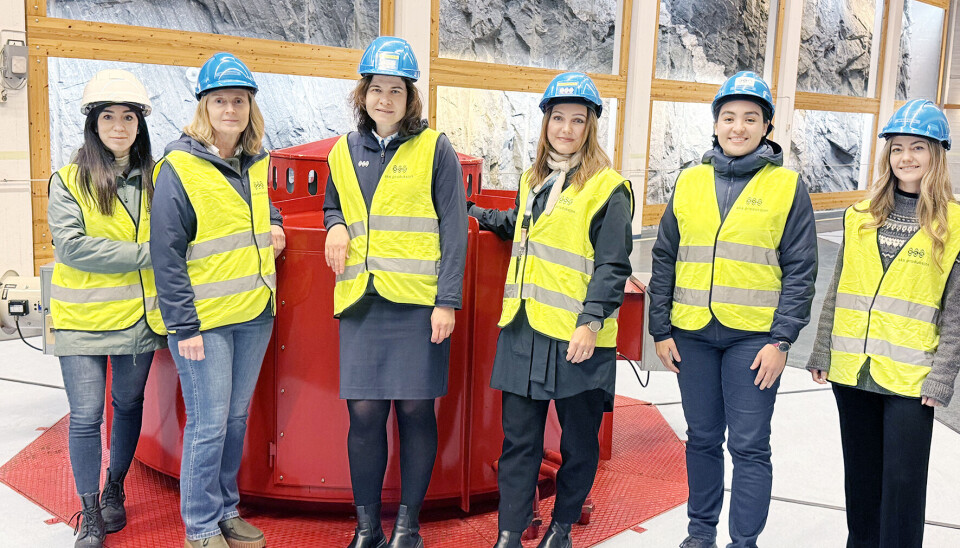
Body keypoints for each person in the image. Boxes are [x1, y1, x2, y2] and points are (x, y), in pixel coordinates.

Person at [647, 71, 817, 548]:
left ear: (766, 126)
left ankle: (743, 543)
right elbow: (665, 258)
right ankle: (699, 535)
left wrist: (782, 340)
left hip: (754, 340)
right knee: (701, 439)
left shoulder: (787, 187)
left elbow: (801, 270)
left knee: (748, 445)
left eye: (750, 118)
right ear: (716, 124)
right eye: (728, 117)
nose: (738, 127)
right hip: (693, 334)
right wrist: (661, 328)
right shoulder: (689, 180)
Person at [468, 72, 634, 548]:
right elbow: (521, 225)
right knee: (519, 442)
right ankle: (510, 530)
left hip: (577, 338)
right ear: (545, 123)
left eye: (576, 120)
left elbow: (613, 265)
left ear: (590, 127)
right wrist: (475, 214)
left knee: (577, 443)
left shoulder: (608, 189)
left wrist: (590, 321)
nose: (565, 128)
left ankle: (561, 528)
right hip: (524, 330)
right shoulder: (533, 180)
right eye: (557, 118)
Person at [322, 36, 467, 548]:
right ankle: (367, 529)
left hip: (419, 306)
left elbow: (455, 229)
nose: (385, 99)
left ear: (411, 99)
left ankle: (408, 526)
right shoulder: (343, 149)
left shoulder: (435, 148)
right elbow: (332, 206)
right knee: (363, 415)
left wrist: (447, 300)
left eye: (396, 91)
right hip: (362, 302)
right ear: (363, 94)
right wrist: (334, 224)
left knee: (414, 412)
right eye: (377, 89)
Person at [806, 99, 960, 548]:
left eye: (918, 147)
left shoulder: (954, 225)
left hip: (913, 377)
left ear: (937, 154)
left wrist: (943, 377)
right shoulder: (859, 217)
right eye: (896, 148)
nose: (906, 157)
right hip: (853, 371)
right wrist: (822, 351)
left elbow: (956, 314)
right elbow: (838, 291)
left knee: (903, 487)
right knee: (862, 481)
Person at [150, 52, 285, 548]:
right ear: (203, 107)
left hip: (253, 314)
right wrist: (183, 326)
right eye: (220, 100)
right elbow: (165, 255)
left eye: (239, 100)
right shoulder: (179, 167)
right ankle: (201, 528)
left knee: (233, 420)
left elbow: (263, 211)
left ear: (250, 107)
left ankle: (227, 510)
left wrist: (276, 224)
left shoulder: (254, 163)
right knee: (208, 426)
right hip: (204, 323)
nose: (230, 109)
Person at [48, 69, 164, 548]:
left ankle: (116, 486)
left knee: (129, 404)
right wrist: (151, 253)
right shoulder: (69, 179)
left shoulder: (159, 178)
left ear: (140, 124)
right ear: (93, 124)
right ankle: (90, 511)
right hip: (82, 321)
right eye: (108, 117)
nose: (119, 126)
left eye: (129, 117)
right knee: (86, 416)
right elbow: (71, 247)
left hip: (137, 321)